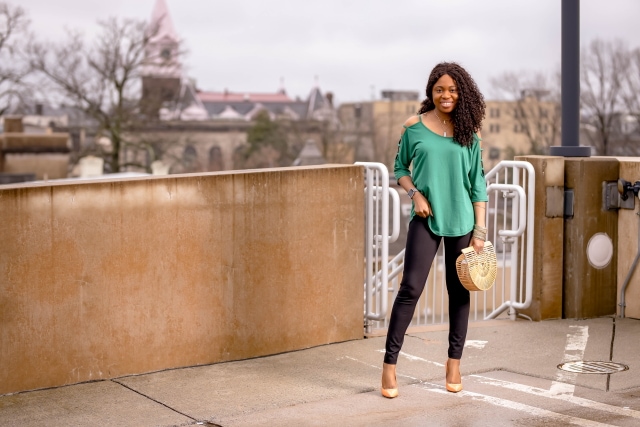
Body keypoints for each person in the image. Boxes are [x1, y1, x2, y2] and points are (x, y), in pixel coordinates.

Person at [381, 62, 488, 399]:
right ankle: (389, 366)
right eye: (440, 89)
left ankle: (453, 363)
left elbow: (478, 184)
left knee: (459, 294)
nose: (446, 95)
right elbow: (399, 168)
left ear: (462, 93)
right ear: (431, 91)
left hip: (462, 222)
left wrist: (480, 231)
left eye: (453, 90)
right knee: (410, 288)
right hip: (425, 219)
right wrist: (415, 194)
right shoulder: (414, 128)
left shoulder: (469, 132)